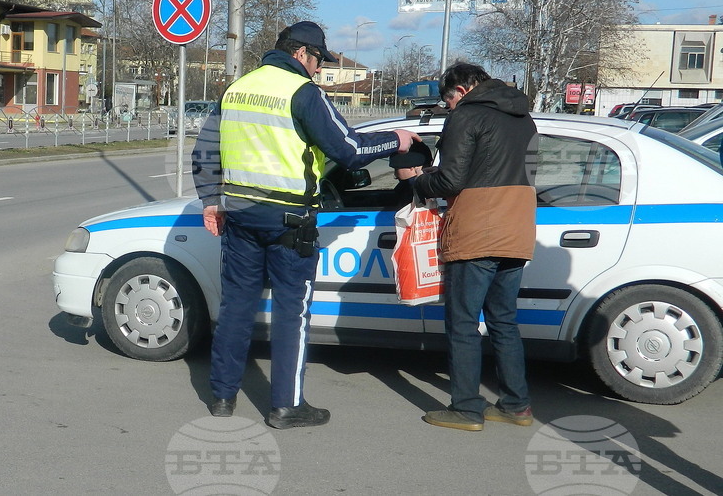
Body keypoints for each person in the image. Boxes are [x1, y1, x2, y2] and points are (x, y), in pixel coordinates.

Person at [191, 21, 421, 429]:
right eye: (318, 61)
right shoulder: (302, 93)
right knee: (291, 313)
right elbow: (348, 152)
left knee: (236, 308)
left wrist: (212, 201)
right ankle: (286, 406)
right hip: (289, 221)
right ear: (302, 54)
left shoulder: (237, 88)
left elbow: (206, 150)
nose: (318, 70)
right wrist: (395, 139)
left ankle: (223, 397)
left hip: (241, 217)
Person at [411, 62, 537, 432]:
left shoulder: (467, 116)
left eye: (448, 99)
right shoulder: (524, 117)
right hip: (518, 227)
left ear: (462, 91)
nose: (448, 107)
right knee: (504, 321)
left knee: (463, 323)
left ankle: (466, 408)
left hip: (478, 230)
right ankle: (516, 404)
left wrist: (419, 182)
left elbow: (452, 179)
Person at [384, 140, 433, 208]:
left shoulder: (416, 190)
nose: (395, 174)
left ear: (412, 167)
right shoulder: (427, 185)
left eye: (396, 169)